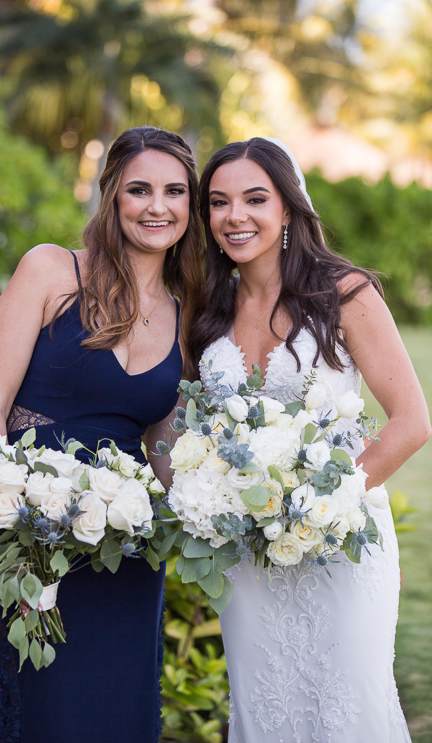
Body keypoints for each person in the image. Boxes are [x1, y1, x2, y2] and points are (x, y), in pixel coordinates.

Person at [190, 137, 431, 743]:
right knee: (263, 706)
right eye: (218, 202)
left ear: (290, 209)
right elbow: (191, 429)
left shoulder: (341, 292)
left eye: (254, 199)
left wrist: (323, 506)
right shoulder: (207, 307)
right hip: (245, 554)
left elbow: (410, 421)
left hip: (341, 543)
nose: (234, 216)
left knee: (348, 705)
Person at [0, 125, 204, 743]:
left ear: (191, 205)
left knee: (118, 711)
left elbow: (159, 438)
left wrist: (201, 511)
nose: (158, 206)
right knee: (44, 711)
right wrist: (6, 523)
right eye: (140, 189)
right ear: (112, 196)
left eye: (175, 191)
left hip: (125, 547)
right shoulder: (50, 271)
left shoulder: (188, 314)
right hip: (32, 536)